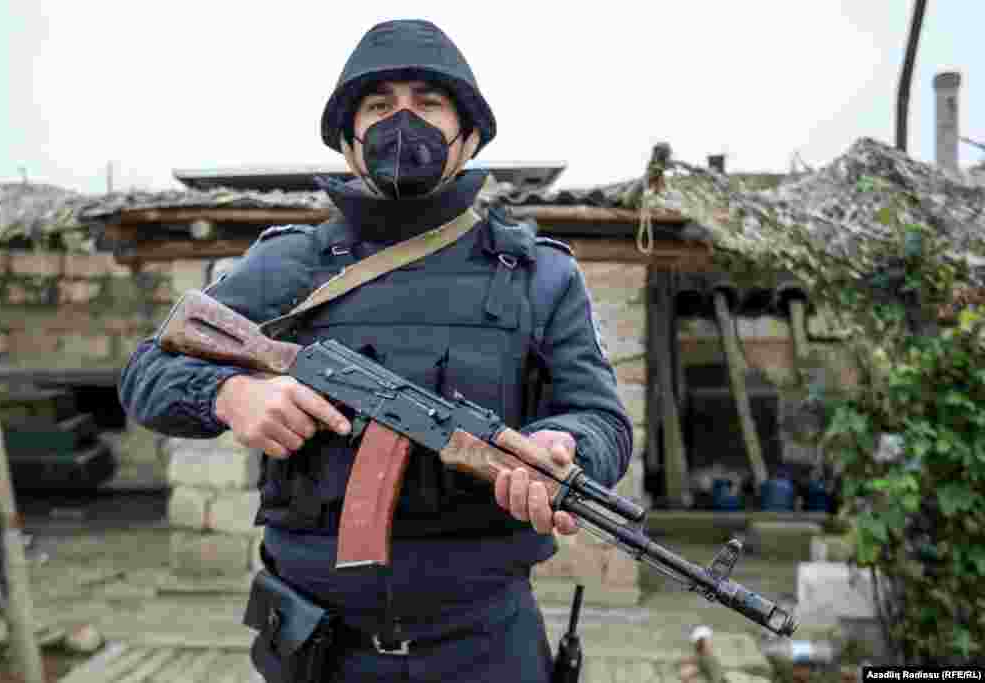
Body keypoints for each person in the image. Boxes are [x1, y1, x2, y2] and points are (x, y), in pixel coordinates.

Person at [119, 18, 632, 683]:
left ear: (468, 132)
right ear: (350, 139)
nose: (404, 121)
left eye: (428, 102)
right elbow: (145, 370)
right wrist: (230, 393)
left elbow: (602, 419)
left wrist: (566, 444)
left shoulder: (538, 274)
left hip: (484, 649)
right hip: (313, 648)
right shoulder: (288, 266)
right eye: (380, 105)